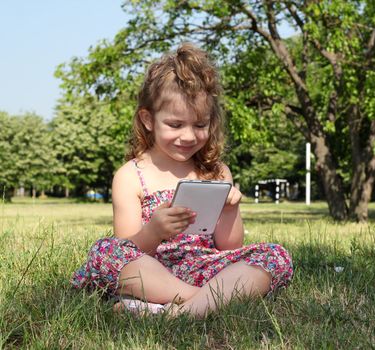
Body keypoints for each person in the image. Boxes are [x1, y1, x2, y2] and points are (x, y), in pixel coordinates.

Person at [71, 43, 293, 317]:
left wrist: (230, 209)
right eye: (175, 125)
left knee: (275, 256)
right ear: (148, 119)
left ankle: (173, 313)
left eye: (200, 125)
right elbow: (125, 249)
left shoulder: (217, 171)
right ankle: (202, 302)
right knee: (105, 251)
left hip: (205, 268)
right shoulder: (130, 175)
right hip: (152, 273)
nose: (188, 136)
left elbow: (230, 247)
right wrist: (154, 231)